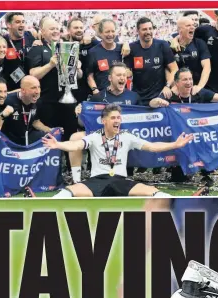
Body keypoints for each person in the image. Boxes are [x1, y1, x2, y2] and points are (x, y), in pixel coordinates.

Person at [40, 105, 193, 198]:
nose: (117, 121)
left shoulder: (126, 137)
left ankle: (177, 205)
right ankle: (45, 211)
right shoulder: (94, 137)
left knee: (152, 191)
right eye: (113, 118)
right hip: (97, 181)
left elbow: (152, 146)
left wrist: (175, 144)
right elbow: (76, 145)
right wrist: (58, 144)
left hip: (120, 181)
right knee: (69, 191)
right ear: (104, 121)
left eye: (119, 118)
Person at [125, 17, 177, 105]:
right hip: (139, 97)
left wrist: (167, 86)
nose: (148, 32)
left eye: (150, 28)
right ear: (138, 31)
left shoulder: (162, 45)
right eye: (144, 29)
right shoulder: (132, 48)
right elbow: (127, 72)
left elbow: (174, 69)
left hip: (159, 96)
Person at [0, 75, 52, 146]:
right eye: (33, 88)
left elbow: (35, 122)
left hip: (27, 138)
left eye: (39, 87)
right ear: (23, 90)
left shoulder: (37, 101)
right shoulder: (8, 101)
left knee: (50, 138)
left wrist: (50, 130)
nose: (37, 91)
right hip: (9, 141)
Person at [153, 66, 218, 106]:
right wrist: (158, 102)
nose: (189, 82)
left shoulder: (198, 92)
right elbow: (152, 104)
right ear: (177, 83)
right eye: (185, 80)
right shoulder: (169, 94)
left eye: (190, 79)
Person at [87, 19, 127, 97]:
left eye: (112, 31)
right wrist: (95, 91)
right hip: (102, 96)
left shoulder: (122, 49)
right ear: (100, 33)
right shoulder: (93, 52)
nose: (110, 34)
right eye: (107, 31)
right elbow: (89, 76)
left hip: (121, 95)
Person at [170, 15, 210, 94]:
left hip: (196, 87)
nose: (192, 27)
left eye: (193, 25)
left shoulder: (200, 43)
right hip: (177, 90)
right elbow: (168, 69)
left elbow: (207, 67)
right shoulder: (170, 45)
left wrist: (199, 87)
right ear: (180, 30)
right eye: (188, 25)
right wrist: (173, 86)